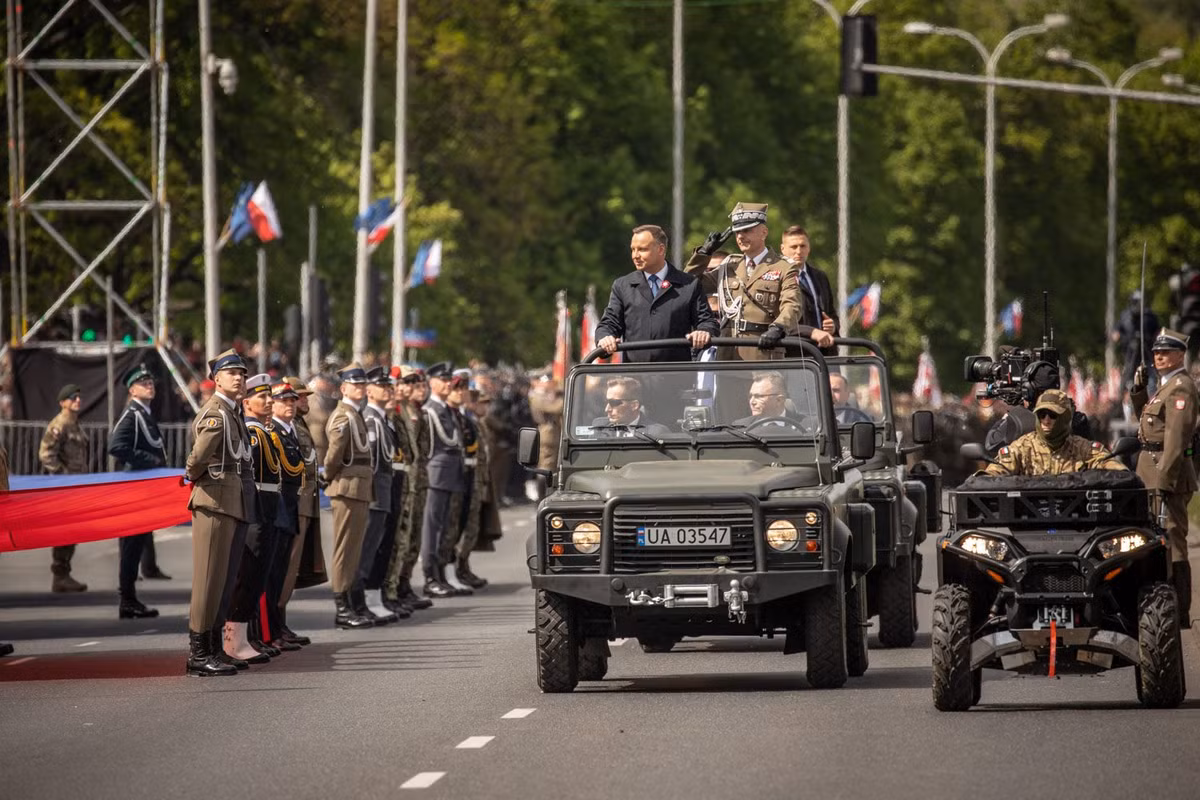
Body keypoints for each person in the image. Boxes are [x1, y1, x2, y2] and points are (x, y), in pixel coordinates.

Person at [183, 349, 251, 677]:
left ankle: (211, 647)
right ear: (217, 379)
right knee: (208, 581)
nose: (239, 377)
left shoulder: (233, 412)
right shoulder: (217, 412)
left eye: (242, 372)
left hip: (228, 501)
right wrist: (197, 477)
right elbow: (196, 459)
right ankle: (198, 652)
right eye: (232, 373)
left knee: (221, 581)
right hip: (213, 501)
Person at [1131, 328, 1198, 625]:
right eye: (1157, 351)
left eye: (1166, 351)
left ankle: (1180, 610)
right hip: (1151, 469)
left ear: (1180, 355)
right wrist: (1139, 391)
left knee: (1173, 539)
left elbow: (1175, 437)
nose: (1158, 356)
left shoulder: (1181, 387)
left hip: (1165, 471)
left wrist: (1164, 479)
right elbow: (1149, 424)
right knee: (1155, 539)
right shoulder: (1164, 386)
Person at [685, 202, 803, 361]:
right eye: (737, 231)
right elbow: (688, 283)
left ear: (763, 232)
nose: (740, 236)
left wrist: (778, 328)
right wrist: (704, 253)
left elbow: (793, 305)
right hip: (728, 356)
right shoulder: (729, 266)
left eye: (747, 230)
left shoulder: (783, 267)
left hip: (763, 351)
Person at [223, 373, 283, 665]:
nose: (269, 401)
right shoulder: (251, 432)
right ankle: (233, 638)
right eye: (262, 397)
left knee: (259, 575)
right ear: (246, 403)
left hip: (269, 505)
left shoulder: (263, 432)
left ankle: (244, 636)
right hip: (256, 505)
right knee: (247, 575)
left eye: (270, 396)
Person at [595, 224, 717, 361]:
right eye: (633, 250)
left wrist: (704, 332)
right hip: (634, 377)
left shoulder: (689, 284)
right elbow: (609, 324)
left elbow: (707, 322)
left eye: (642, 249)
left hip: (677, 376)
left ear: (660, 249)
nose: (635, 255)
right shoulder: (622, 286)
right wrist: (605, 338)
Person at [107, 363, 165, 619]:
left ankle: (129, 599)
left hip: (145, 489)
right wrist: (148, 460)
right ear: (132, 390)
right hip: (135, 487)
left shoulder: (144, 412)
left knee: (137, 544)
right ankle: (127, 599)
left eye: (150, 381)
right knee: (131, 546)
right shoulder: (132, 414)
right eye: (143, 383)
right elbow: (116, 445)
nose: (149, 385)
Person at [324, 362, 375, 629]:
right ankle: (342, 605)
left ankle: (351, 601)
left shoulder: (355, 414)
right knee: (345, 549)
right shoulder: (343, 416)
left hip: (358, 487)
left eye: (363, 384)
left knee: (354, 549)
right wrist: (330, 477)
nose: (361, 388)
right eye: (355, 384)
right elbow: (333, 457)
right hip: (347, 486)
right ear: (343, 388)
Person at [276, 375, 324, 645]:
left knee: (291, 567)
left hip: (305, 500)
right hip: (295, 502)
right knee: (286, 567)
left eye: (301, 397)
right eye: (298, 397)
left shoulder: (298, 425)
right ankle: (275, 625)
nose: (302, 402)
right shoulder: (285, 426)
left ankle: (279, 624)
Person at [262, 379, 309, 650]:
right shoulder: (273, 432)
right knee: (272, 575)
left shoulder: (290, 430)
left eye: (293, 401)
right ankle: (270, 630)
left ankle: (279, 625)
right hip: (278, 510)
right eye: (284, 401)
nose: (290, 405)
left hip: (289, 508)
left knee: (281, 573)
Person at [384, 367, 435, 613]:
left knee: (411, 537)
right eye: (405, 382)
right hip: (403, 482)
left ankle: (403, 584)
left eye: (414, 383)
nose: (410, 387)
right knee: (398, 538)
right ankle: (390, 589)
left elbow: (419, 451)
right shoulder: (394, 411)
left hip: (416, 481)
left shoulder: (413, 411)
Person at [984, 389, 1126, 477]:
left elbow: (1119, 474)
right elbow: (993, 474)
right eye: (1042, 414)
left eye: (1052, 415)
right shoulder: (1021, 448)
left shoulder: (1084, 449)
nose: (1046, 420)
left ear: (1065, 418)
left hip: (1076, 522)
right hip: (1030, 522)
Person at [355, 366, 401, 624]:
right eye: (382, 386)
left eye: (388, 386)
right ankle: (362, 600)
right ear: (370, 391)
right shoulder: (371, 418)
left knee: (378, 547)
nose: (388, 390)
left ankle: (372, 597)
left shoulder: (381, 419)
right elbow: (371, 462)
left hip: (383, 490)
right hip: (375, 492)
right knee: (368, 548)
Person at [421, 362, 467, 598]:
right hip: (437, 475)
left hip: (451, 474)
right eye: (444, 380)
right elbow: (427, 447)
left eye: (450, 379)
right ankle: (430, 576)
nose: (449, 383)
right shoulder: (430, 410)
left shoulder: (447, 410)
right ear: (432, 383)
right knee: (432, 528)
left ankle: (439, 572)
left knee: (445, 529)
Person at [39, 383, 89, 593]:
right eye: (72, 398)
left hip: (75, 486)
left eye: (78, 397)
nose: (77, 400)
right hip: (65, 488)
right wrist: (63, 477)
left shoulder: (75, 424)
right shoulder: (59, 424)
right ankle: (60, 575)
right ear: (62, 402)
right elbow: (45, 454)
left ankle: (64, 573)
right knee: (65, 532)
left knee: (72, 532)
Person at [780, 226, 839, 354]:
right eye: (793, 247)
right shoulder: (776, 277)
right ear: (783, 249)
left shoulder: (820, 277)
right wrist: (811, 332)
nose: (799, 251)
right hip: (793, 354)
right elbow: (778, 321)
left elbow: (831, 313)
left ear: (809, 248)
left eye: (803, 246)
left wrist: (832, 325)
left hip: (825, 353)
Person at [589, 376, 671, 437]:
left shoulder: (657, 433)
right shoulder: (599, 426)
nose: (607, 409)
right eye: (606, 402)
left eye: (614, 403)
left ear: (634, 405)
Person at [1113, 290, 1160, 394]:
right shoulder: (1125, 316)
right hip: (1130, 354)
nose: (1137, 305)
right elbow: (1116, 332)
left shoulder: (1149, 316)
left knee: (1151, 379)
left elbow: (1157, 332)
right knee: (1129, 379)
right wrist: (1119, 337)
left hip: (1147, 352)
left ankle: (1151, 400)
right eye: (1135, 302)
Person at [732, 371, 805, 429]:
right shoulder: (740, 427)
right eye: (750, 396)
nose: (752, 402)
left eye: (758, 396)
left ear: (779, 400)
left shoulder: (807, 425)